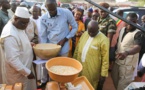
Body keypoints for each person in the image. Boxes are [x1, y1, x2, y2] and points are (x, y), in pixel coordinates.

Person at [39, 0, 78, 87]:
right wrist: (45, 50)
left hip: (63, 46)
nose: (52, 12)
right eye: (50, 10)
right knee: (48, 66)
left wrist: (65, 39)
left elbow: (75, 27)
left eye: (54, 9)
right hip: (50, 47)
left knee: (61, 67)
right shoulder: (43, 18)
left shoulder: (66, 13)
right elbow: (43, 36)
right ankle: (46, 83)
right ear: (46, 7)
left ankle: (61, 85)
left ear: (56, 5)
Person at [0, 7, 36, 90]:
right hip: (17, 73)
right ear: (15, 18)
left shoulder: (18, 26)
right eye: (23, 23)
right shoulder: (10, 35)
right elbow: (12, 59)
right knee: (19, 87)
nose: (25, 26)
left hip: (24, 67)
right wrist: (27, 73)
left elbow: (19, 41)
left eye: (27, 23)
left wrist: (28, 44)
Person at [111, 13, 144, 90]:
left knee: (122, 86)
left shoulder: (138, 33)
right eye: (128, 21)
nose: (130, 24)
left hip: (128, 65)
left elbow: (138, 47)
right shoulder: (122, 29)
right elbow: (120, 43)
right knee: (114, 78)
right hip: (118, 61)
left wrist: (126, 53)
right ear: (125, 20)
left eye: (133, 22)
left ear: (136, 22)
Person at [73, 20, 109, 90]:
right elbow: (77, 48)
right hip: (79, 66)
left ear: (98, 29)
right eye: (89, 31)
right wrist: (74, 61)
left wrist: (103, 74)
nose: (91, 33)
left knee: (89, 86)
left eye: (93, 32)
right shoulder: (85, 34)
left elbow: (105, 59)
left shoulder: (103, 39)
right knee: (77, 83)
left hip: (92, 70)